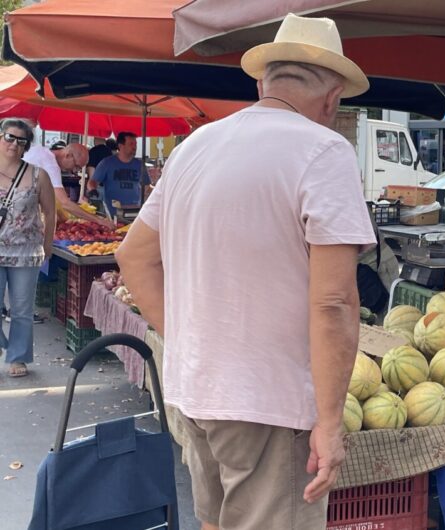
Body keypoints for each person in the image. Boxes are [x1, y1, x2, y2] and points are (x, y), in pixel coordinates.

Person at [116, 14, 374, 530]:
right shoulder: (324, 151)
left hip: (194, 390)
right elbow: (335, 303)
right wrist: (329, 422)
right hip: (271, 403)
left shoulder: (195, 146)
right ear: (333, 97)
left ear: (262, 82)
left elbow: (134, 257)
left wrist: (188, 337)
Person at [0, 119, 55, 377]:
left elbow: (50, 213)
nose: (13, 144)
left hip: (26, 252)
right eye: (9, 137)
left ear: (26, 147)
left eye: (21, 141)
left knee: (22, 309)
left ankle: (18, 357)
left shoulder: (37, 174)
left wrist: (48, 246)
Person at [22, 140, 111, 226]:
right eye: (76, 166)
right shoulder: (51, 165)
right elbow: (65, 203)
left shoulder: (42, 152)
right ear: (68, 155)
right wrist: (99, 221)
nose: (74, 171)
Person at [87, 131, 150, 217]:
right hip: (112, 212)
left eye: (135, 144)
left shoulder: (139, 164)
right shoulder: (107, 163)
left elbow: (146, 186)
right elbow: (93, 181)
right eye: (131, 144)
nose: (134, 147)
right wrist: (92, 189)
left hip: (134, 212)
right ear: (120, 146)